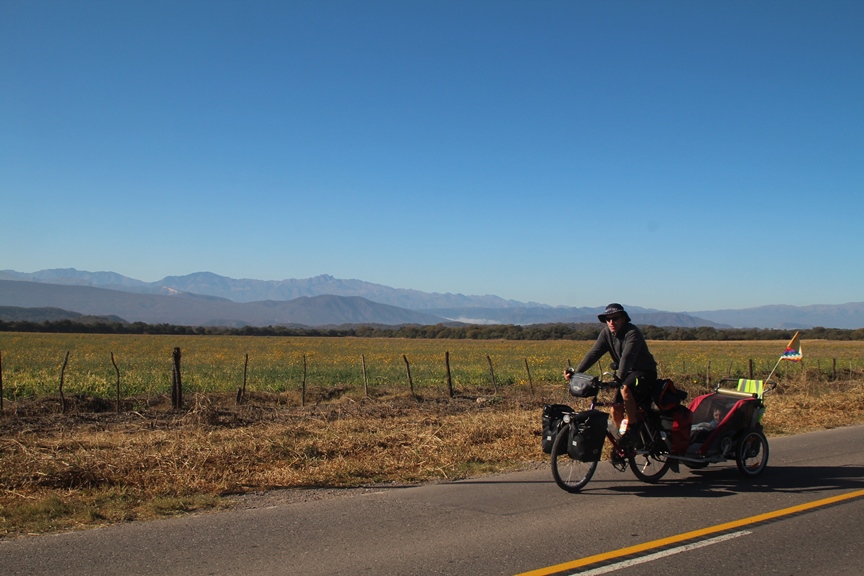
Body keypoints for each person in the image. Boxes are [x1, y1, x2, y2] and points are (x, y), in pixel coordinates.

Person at [565, 303, 658, 438]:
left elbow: (627, 357)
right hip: (626, 374)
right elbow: (594, 353)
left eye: (615, 318)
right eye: (608, 319)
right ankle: (623, 438)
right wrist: (576, 373)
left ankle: (633, 429)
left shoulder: (632, 333)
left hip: (644, 373)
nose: (611, 322)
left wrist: (618, 379)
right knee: (615, 409)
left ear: (623, 319)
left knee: (625, 388)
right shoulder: (606, 333)